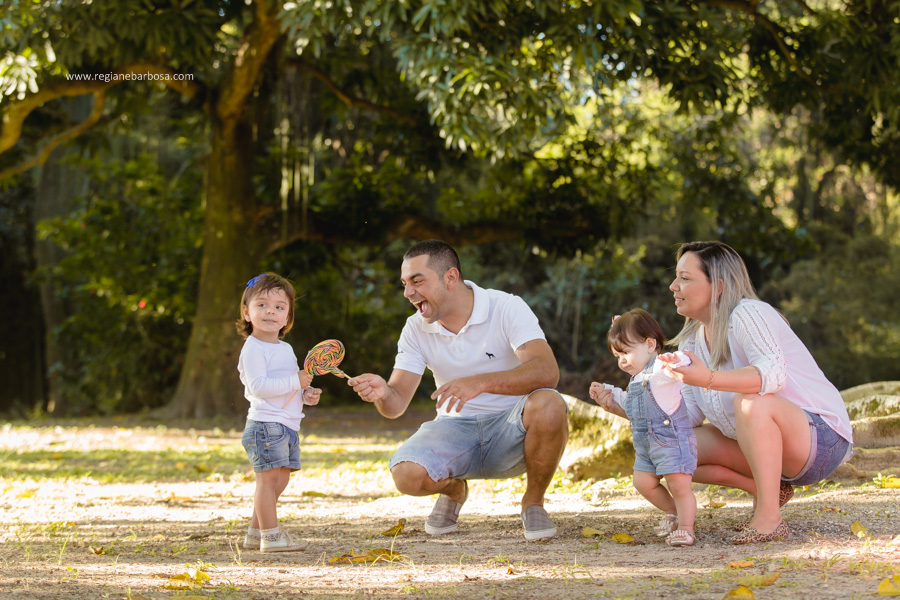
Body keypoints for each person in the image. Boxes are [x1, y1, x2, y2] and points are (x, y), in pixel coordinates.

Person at [348, 240, 568, 541]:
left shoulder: (506, 307)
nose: (407, 293)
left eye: (417, 281)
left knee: (550, 403)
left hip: (512, 429)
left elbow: (547, 371)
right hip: (454, 428)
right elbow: (396, 404)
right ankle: (454, 490)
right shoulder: (415, 328)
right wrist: (382, 393)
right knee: (405, 475)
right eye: (404, 284)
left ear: (450, 278)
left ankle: (533, 502)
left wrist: (480, 382)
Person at [664, 241, 853, 544]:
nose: (674, 286)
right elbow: (690, 416)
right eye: (676, 277)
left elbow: (772, 377)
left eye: (685, 278)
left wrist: (708, 377)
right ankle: (767, 491)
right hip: (766, 450)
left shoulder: (748, 314)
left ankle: (768, 518)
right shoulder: (691, 341)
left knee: (753, 401)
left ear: (719, 286)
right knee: (670, 444)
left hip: (820, 440)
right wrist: (633, 405)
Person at [589, 309, 698, 547]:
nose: (622, 361)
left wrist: (676, 361)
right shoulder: (636, 379)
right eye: (617, 356)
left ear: (650, 344)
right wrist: (608, 393)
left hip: (671, 441)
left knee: (679, 485)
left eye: (626, 352)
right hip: (646, 446)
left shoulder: (660, 369)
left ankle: (686, 528)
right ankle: (674, 511)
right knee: (642, 482)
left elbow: (686, 361)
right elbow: (630, 403)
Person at [236, 272, 322, 552]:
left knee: (279, 480)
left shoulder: (285, 349)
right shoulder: (253, 348)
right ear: (247, 313)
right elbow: (260, 387)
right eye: (261, 305)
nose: (270, 311)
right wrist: (295, 381)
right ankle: (271, 537)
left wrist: (305, 395)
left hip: (286, 425)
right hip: (265, 425)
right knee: (267, 481)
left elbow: (287, 387)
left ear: (287, 318)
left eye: (279, 307)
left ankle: (254, 533)